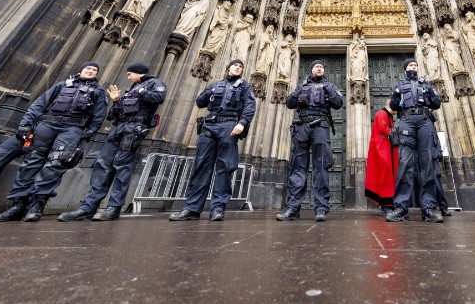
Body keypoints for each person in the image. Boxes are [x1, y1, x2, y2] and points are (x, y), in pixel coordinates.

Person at [0, 63, 108, 222]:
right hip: (46, 125)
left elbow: (100, 113)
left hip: (72, 128)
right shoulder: (62, 85)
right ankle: (17, 205)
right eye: (88, 68)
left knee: (55, 164)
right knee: (31, 162)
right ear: (81, 70)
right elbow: (40, 104)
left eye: (95, 70)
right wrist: (25, 124)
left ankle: (37, 205)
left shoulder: (98, 92)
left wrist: (92, 130)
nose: (91, 71)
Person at [57, 63, 166, 222]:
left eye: (130, 74)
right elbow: (116, 114)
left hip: (134, 129)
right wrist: (116, 101)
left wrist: (142, 91)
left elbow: (159, 98)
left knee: (122, 166)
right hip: (120, 128)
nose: (128, 77)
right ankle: (87, 207)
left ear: (139, 73)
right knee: (102, 164)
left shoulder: (155, 83)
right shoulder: (131, 89)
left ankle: (113, 208)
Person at [170, 59, 256, 221]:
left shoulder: (245, 87)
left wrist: (242, 123)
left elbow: (250, 106)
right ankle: (192, 208)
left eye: (241, 66)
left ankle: (218, 209)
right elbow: (200, 102)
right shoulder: (215, 85)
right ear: (228, 68)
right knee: (201, 166)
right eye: (235, 65)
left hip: (230, 125)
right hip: (210, 126)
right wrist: (209, 91)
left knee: (225, 167)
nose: (238, 67)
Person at [276, 60, 344, 222]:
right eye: (316, 66)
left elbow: (338, 103)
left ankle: (320, 208)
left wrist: (328, 89)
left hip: (320, 125)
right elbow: (290, 103)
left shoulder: (330, 86)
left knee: (321, 166)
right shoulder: (302, 86)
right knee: (298, 166)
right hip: (302, 126)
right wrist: (299, 91)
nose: (319, 68)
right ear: (311, 69)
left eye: (321, 66)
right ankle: (293, 208)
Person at [385, 58, 444, 223]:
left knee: (428, 164)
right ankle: (401, 208)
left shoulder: (426, 84)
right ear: (405, 69)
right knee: (405, 164)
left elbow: (436, 103)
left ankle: (429, 209)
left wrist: (431, 90)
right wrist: (396, 94)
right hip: (407, 120)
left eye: (415, 65)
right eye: (410, 65)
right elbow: (395, 107)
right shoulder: (398, 85)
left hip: (425, 120)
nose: (413, 67)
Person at [365, 100, 398, 213]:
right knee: (385, 176)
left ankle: (390, 203)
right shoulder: (381, 114)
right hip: (383, 150)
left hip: (387, 150)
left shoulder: (387, 116)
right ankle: (385, 205)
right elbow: (383, 128)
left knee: (389, 175)